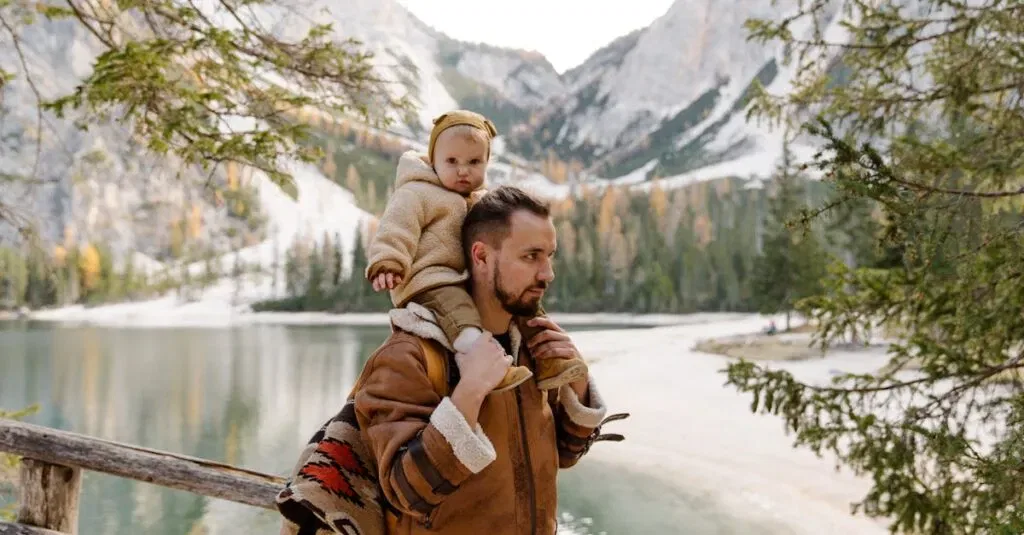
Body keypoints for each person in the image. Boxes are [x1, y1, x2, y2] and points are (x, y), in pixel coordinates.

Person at [354, 186, 610, 534]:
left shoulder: (533, 349)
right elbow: (406, 491)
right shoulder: (409, 355)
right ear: (481, 256)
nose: (547, 273)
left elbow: (565, 455)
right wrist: (470, 392)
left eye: (549, 256)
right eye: (531, 256)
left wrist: (576, 387)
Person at [365, 109, 586, 393]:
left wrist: (581, 389)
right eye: (452, 161)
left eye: (474, 162)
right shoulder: (416, 193)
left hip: (463, 279)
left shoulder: (482, 201)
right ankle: (480, 360)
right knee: (459, 313)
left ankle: (551, 364)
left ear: (486, 162)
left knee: (532, 312)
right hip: (431, 280)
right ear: (433, 160)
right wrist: (388, 262)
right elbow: (396, 228)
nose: (463, 170)